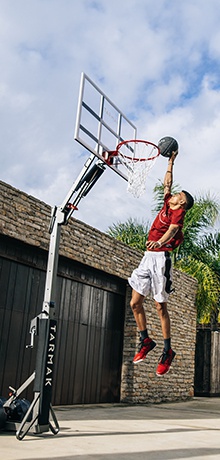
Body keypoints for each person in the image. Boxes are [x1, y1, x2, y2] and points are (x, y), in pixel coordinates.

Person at [128, 150, 194, 376]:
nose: (174, 193)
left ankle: (168, 351)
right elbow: (168, 183)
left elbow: (173, 230)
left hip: (161, 259)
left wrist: (159, 242)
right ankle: (145, 340)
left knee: (159, 306)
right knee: (135, 303)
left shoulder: (178, 215)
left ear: (182, 202)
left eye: (178, 194)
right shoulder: (168, 202)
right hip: (148, 257)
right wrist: (171, 162)